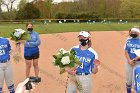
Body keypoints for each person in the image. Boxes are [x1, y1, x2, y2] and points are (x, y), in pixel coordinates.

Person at [124, 27, 140, 93]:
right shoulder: (128, 40)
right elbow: (126, 51)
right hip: (128, 62)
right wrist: (129, 60)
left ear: (138, 33)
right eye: (132, 32)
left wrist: (133, 60)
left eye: (134, 32)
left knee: (136, 79)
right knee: (128, 80)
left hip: (138, 63)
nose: (133, 33)